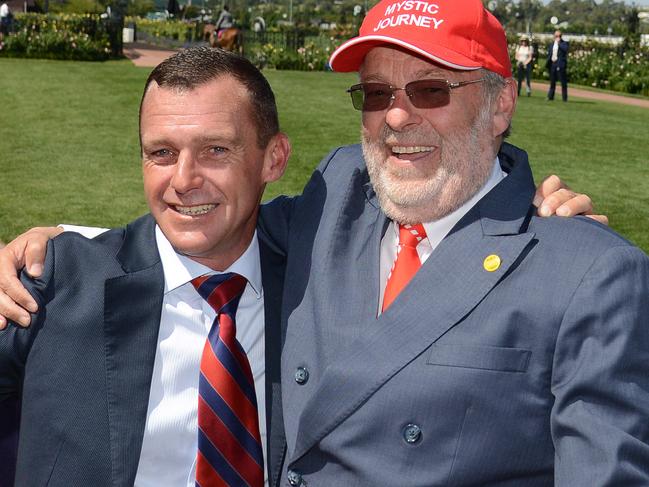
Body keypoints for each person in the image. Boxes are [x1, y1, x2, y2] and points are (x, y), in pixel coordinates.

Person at [0, 47, 291, 486]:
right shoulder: (56, 283)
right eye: (161, 152)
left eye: (215, 149)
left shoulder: (316, 278)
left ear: (274, 158)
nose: (183, 180)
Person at [547, 29, 569, 101]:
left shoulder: (564, 43)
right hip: (553, 64)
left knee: (563, 82)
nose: (557, 37)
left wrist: (559, 43)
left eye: (559, 36)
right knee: (552, 82)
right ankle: (550, 96)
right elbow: (550, 53)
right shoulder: (552, 44)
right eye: (556, 36)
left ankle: (564, 98)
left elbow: (565, 50)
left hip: (560, 64)